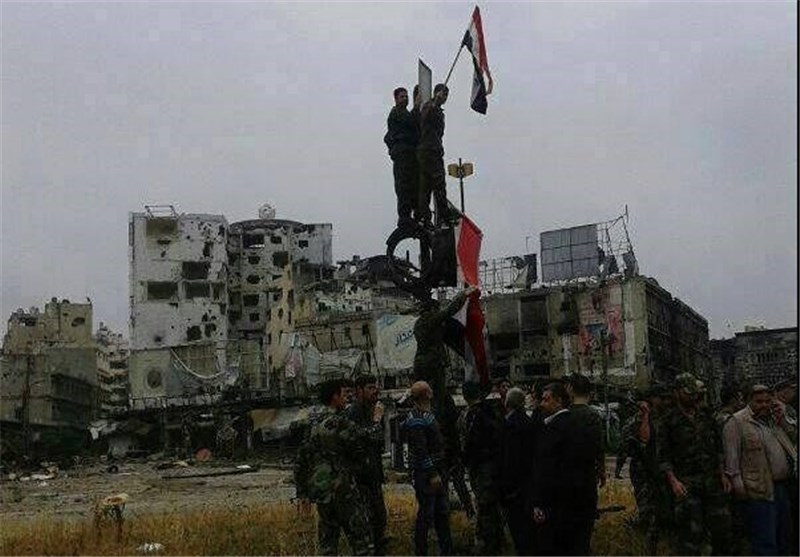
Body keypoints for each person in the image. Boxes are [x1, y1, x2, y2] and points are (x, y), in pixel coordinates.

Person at [293, 379, 379, 556]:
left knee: (328, 544)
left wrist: (302, 493)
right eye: (343, 394)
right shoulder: (340, 423)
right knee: (362, 542)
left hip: (323, 491)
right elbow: (367, 438)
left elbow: (301, 460)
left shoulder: (313, 425)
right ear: (335, 397)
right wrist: (376, 420)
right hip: (344, 490)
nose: (347, 398)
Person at [657, 373, 732, 556]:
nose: (692, 396)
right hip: (687, 484)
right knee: (691, 535)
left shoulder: (706, 416)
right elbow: (663, 456)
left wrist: (722, 474)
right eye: (687, 393)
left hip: (712, 481)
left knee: (722, 530)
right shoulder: (668, 421)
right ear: (676, 393)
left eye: (693, 392)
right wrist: (674, 482)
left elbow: (718, 447)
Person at [723, 384, 797, 556]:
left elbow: (793, 437)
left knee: (785, 536)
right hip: (758, 490)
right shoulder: (737, 422)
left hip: (781, 487)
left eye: (767, 401)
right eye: (759, 401)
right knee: (765, 540)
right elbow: (732, 459)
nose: (764, 405)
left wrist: (783, 419)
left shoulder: (773, 419)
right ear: (749, 401)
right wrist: (739, 487)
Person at [529, 381, 595, 555]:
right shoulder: (578, 425)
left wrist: (540, 503)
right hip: (579, 504)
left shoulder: (553, 430)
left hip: (557, 507)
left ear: (558, 401)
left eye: (546, 399)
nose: (541, 404)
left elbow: (547, 471)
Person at [404, 380, 453, 556]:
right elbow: (421, 449)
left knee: (441, 512)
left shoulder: (426, 414)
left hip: (436, 469)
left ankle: (447, 550)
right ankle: (421, 551)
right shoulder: (417, 419)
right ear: (427, 394)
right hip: (427, 474)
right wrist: (432, 473)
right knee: (427, 512)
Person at [619, 385, 668, 552]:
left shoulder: (664, 418)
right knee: (648, 511)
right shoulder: (638, 420)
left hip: (660, 471)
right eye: (659, 398)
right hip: (644, 471)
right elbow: (641, 441)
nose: (663, 401)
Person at [458, 381, 504, 554]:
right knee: (490, 505)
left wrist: (465, 458)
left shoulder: (474, 415)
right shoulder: (491, 410)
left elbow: (471, 442)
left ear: (465, 395)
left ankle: (487, 543)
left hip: (481, 466)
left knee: (484, 505)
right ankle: (496, 539)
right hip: (491, 464)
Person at [347, 374, 389, 554]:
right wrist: (376, 421)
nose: (375, 391)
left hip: (373, 475)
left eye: (375, 387)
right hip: (361, 478)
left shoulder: (371, 409)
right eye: (370, 388)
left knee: (380, 518)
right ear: (359, 390)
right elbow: (361, 439)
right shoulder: (354, 412)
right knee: (367, 522)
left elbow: (379, 441)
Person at [500, 386, 538, 555]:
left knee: (517, 528)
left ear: (507, 403)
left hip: (513, 486)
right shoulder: (529, 423)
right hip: (528, 483)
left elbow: (509, 459)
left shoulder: (508, 426)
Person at [417, 83, 454, 227]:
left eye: (446, 95)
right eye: (443, 94)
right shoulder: (429, 106)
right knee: (438, 184)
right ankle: (443, 216)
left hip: (433, 150)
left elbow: (440, 132)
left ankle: (425, 217)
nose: (445, 98)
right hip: (429, 151)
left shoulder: (438, 111)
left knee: (426, 186)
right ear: (437, 93)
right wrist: (434, 103)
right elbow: (424, 118)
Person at [384, 87, 419, 228]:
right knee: (404, 186)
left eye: (406, 96)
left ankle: (413, 214)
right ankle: (404, 216)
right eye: (402, 97)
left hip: (409, 155)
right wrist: (417, 108)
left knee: (412, 185)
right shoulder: (397, 114)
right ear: (396, 99)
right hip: (403, 155)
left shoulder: (404, 113)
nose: (405, 99)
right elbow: (410, 122)